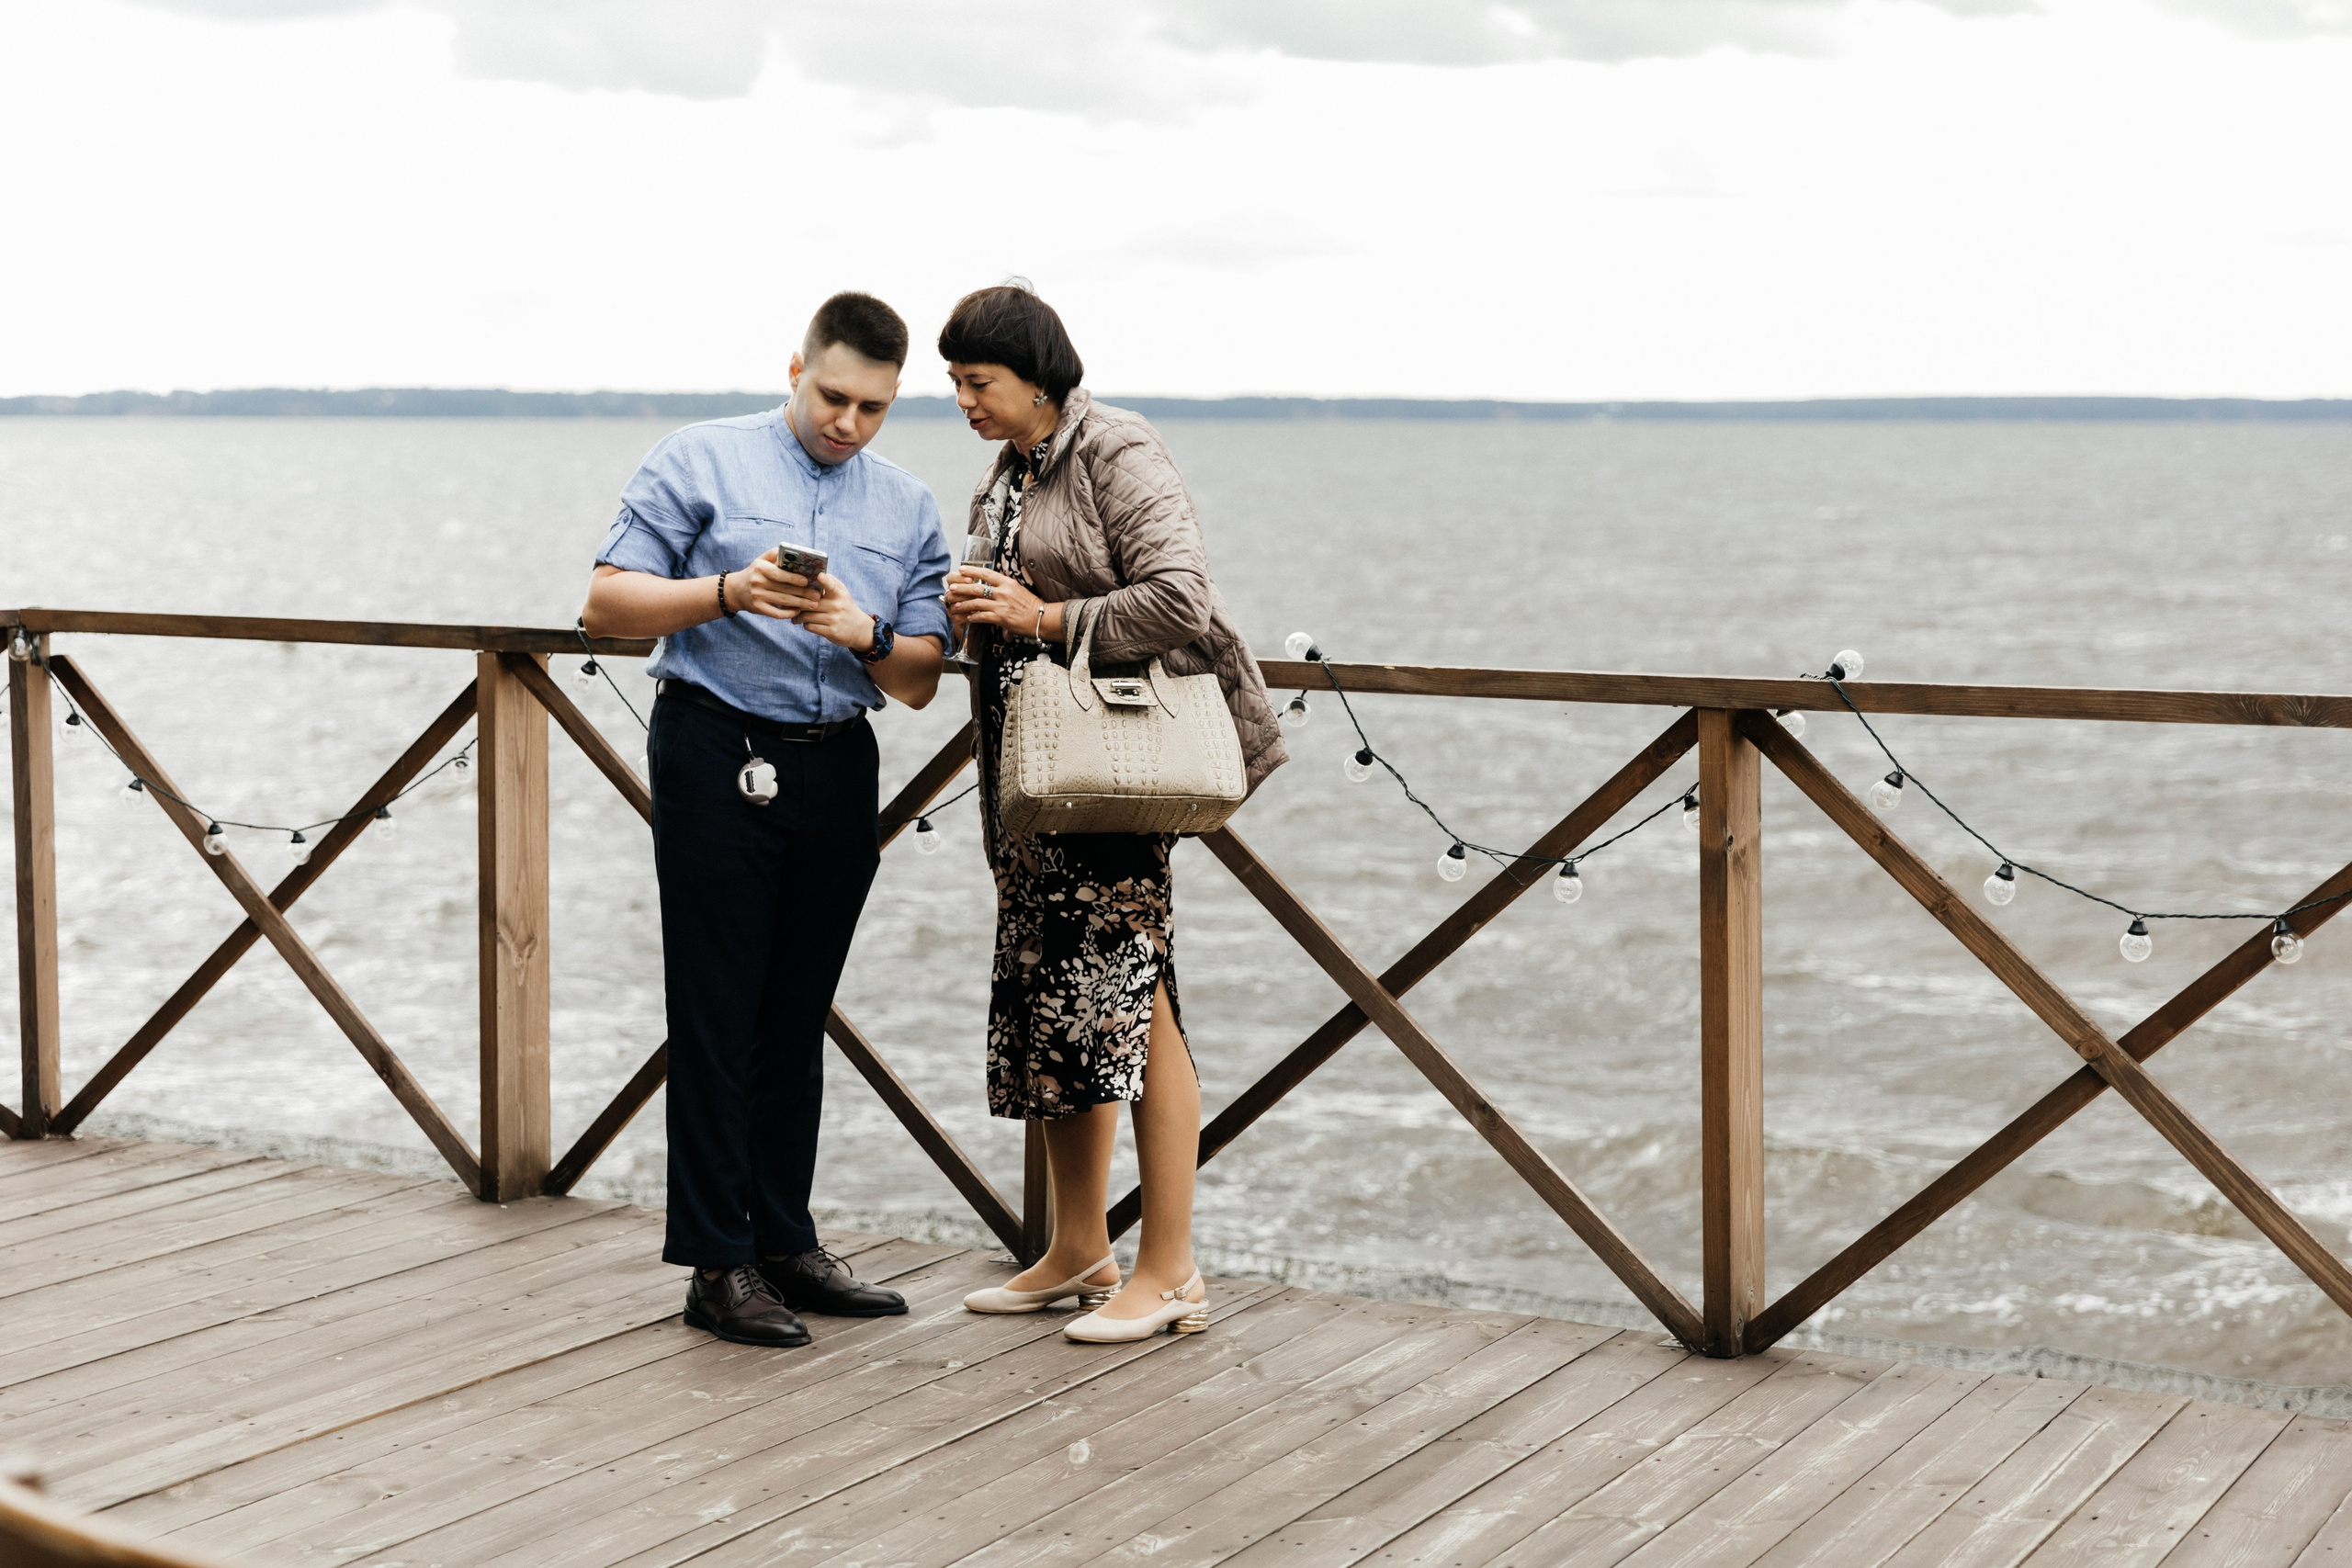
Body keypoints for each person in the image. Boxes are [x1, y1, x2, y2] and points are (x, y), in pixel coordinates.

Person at [581, 291, 951, 1348]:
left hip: (838, 762)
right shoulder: (697, 458)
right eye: (832, 396)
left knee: (797, 1013)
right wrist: (728, 592)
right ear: (796, 368)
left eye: (873, 408)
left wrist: (865, 632)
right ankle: (717, 1264)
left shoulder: (909, 507)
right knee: (718, 1013)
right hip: (715, 748)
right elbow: (604, 606)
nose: (847, 422)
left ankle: (785, 1243)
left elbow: (921, 680)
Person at [940, 283, 1285, 1342]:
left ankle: (1171, 1270)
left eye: (977, 382)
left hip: (1112, 771)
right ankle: (1079, 1249)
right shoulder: (1012, 468)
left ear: (1037, 378)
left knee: (1139, 1003)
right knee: (1058, 1000)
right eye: (955, 383)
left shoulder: (1115, 450)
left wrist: (1041, 616)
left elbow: (1180, 597)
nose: (963, 401)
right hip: (1034, 777)